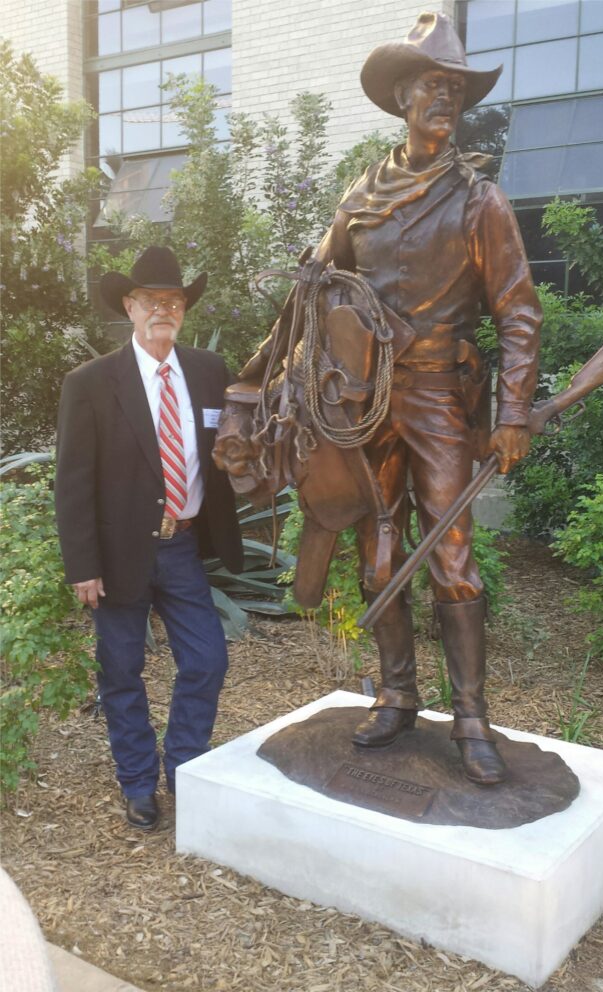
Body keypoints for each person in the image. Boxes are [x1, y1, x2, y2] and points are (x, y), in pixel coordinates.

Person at [237, 13, 541, 786]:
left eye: (456, 89)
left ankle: (470, 716)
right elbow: (307, 295)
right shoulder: (361, 195)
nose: (445, 99)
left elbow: (518, 311)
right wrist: (253, 379)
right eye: (433, 86)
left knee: (453, 556)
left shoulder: (481, 203)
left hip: (439, 396)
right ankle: (398, 694)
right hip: (362, 403)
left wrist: (510, 412)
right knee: (378, 557)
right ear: (403, 95)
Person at [55, 246, 243, 829]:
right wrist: (83, 565)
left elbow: (231, 449)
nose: (165, 309)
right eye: (153, 301)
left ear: (183, 309)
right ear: (130, 307)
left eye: (175, 300)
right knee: (120, 670)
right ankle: (137, 782)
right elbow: (73, 480)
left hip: (184, 546)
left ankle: (184, 766)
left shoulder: (212, 372)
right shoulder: (89, 383)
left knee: (208, 660)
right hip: (116, 555)